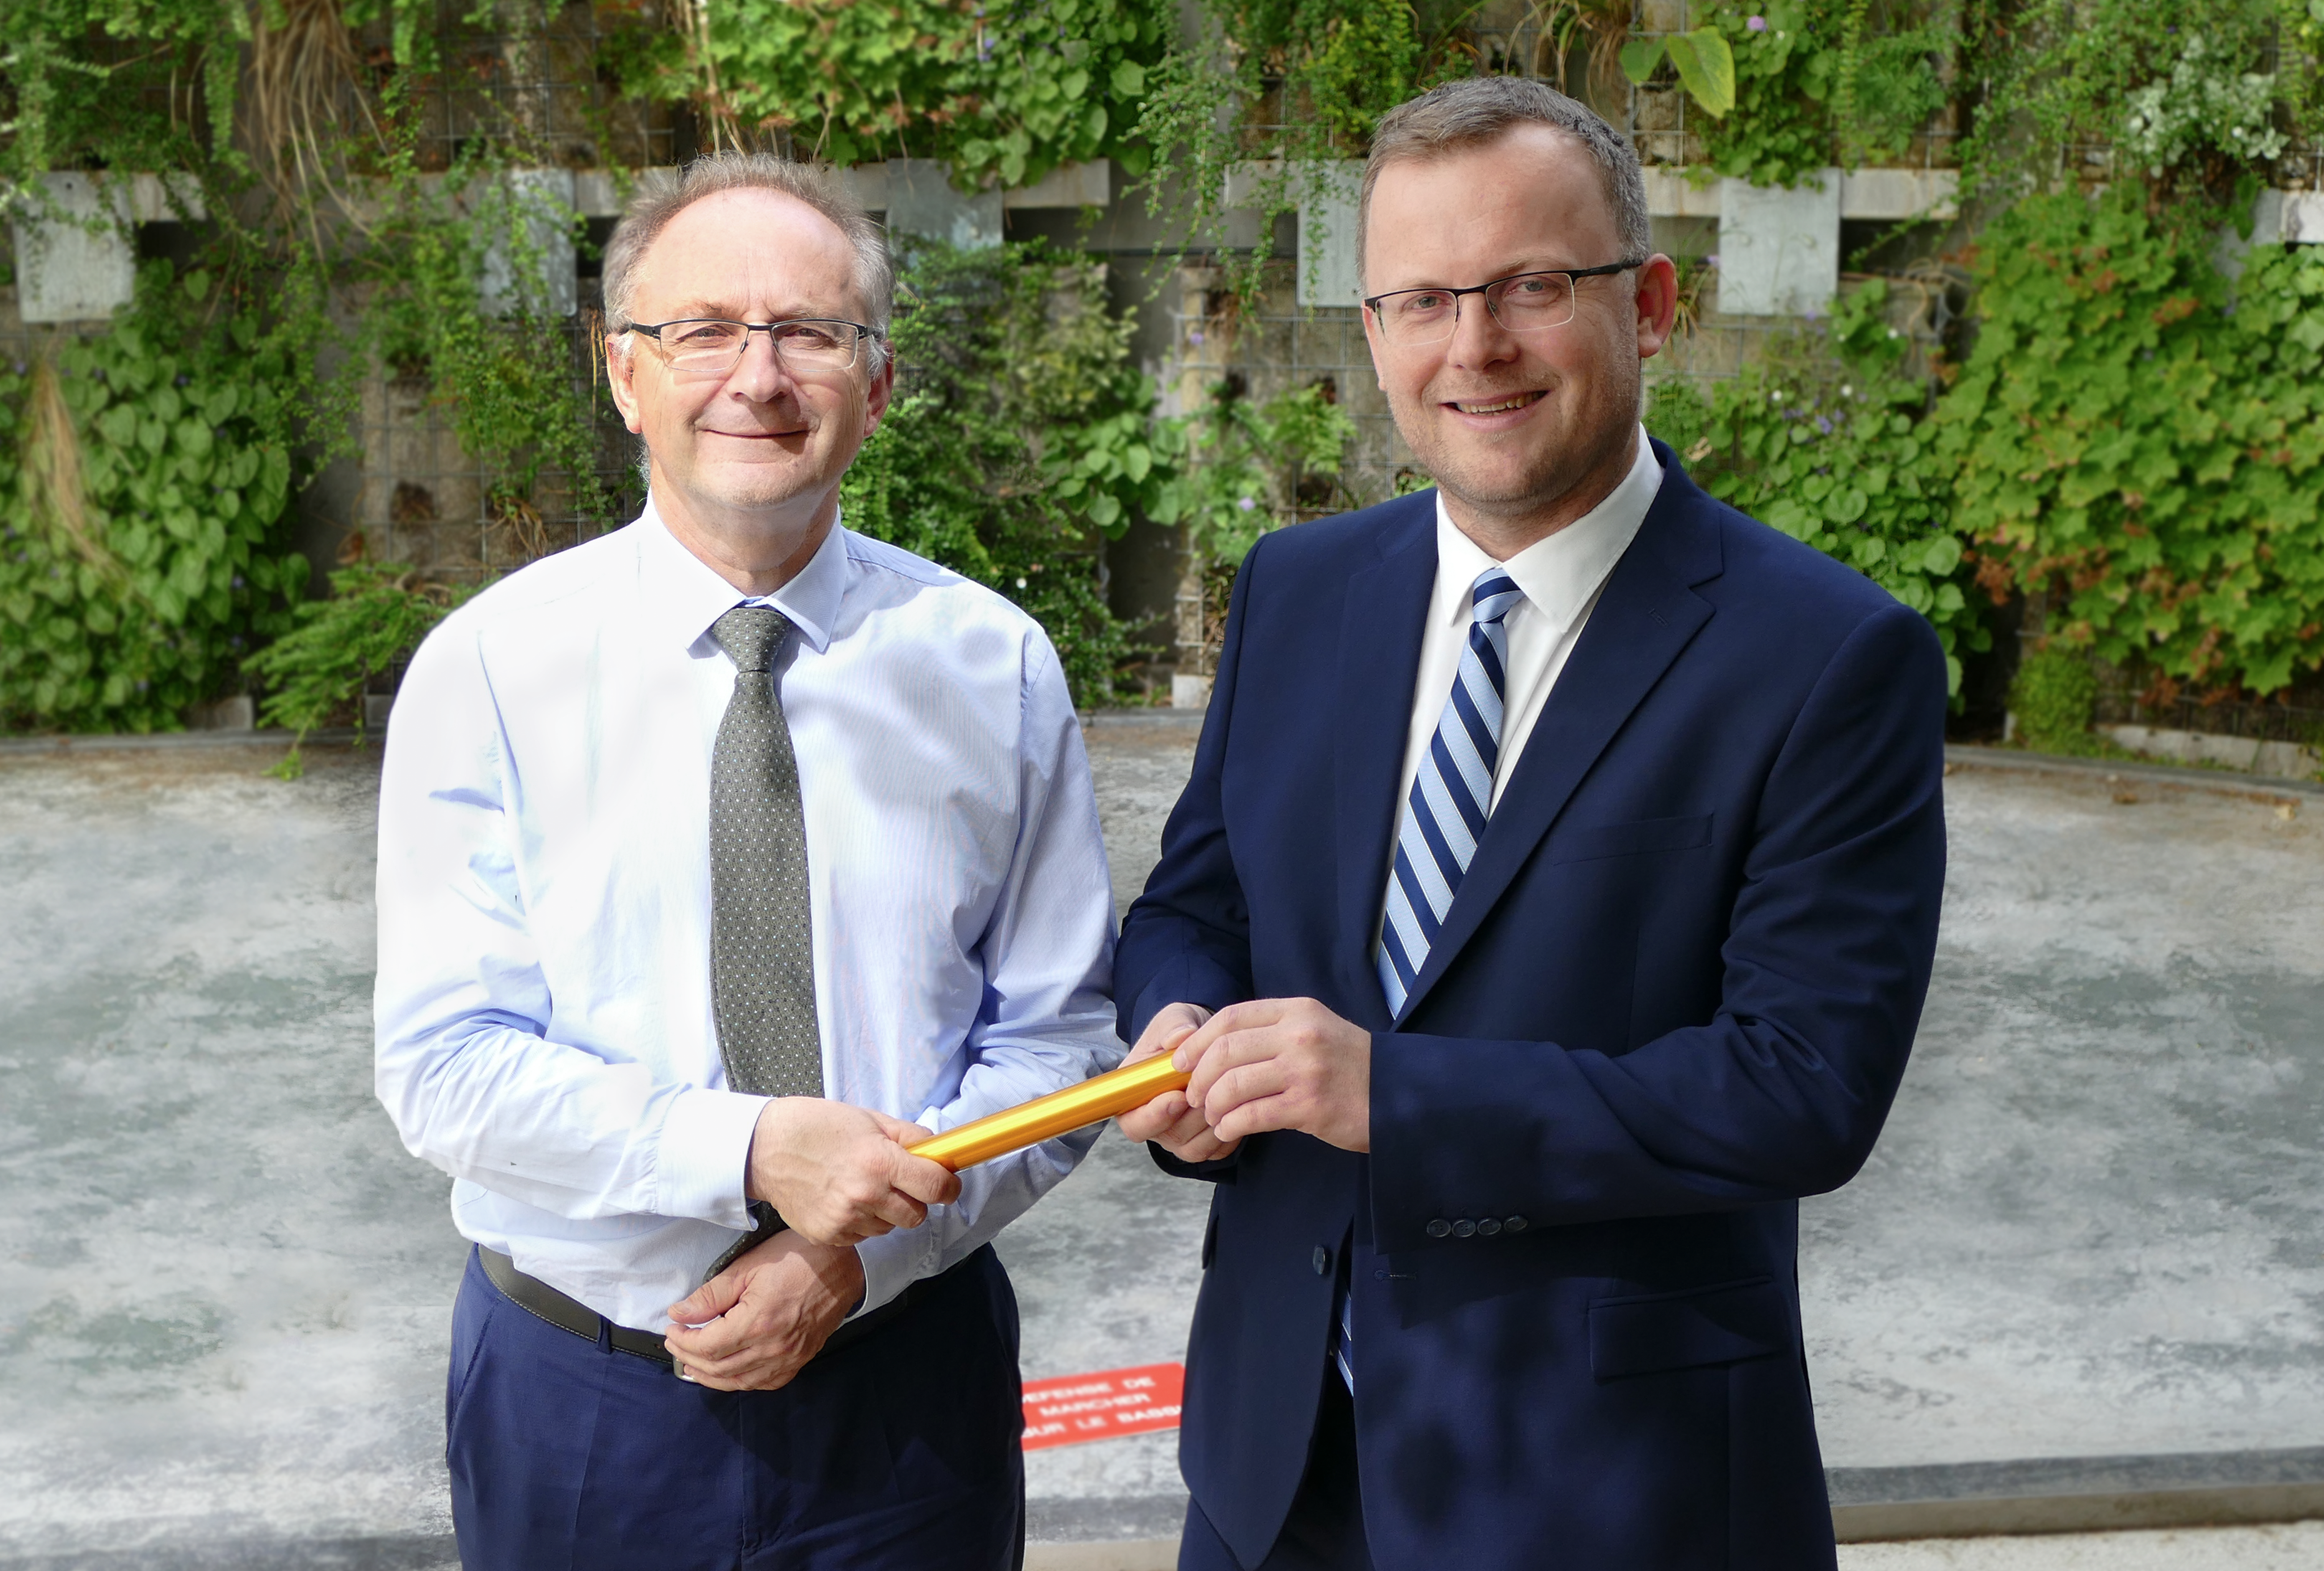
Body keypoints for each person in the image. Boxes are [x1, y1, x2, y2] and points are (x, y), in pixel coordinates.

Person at [1115, 77, 1948, 1571]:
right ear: (1372, 333)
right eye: (1422, 298)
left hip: (1612, 1495)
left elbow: (1800, 1088)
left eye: (1532, 287)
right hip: (1276, 1469)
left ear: (1654, 303)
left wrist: (1394, 1094)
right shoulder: (1297, 591)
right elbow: (1203, 901)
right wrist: (1177, 1021)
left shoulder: (1827, 656)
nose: (1475, 347)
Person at [373, 153, 1123, 1571]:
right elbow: (445, 1064)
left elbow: (1061, 1047)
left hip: (904, 1380)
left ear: (879, 380)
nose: (758, 377)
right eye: (703, 328)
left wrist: (856, 1255)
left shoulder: (991, 664)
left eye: (811, 333)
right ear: (623, 373)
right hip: (585, 1397)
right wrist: (755, 1152)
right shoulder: (493, 666)